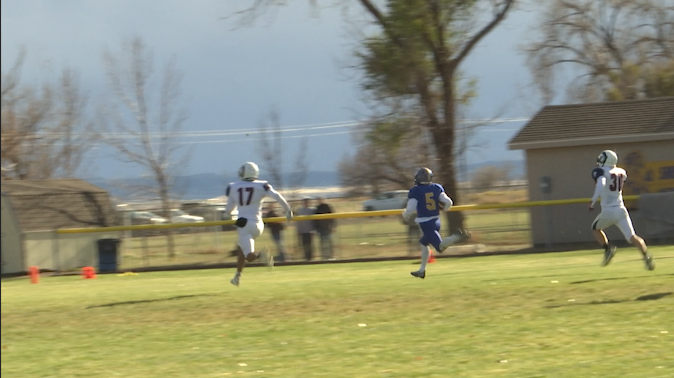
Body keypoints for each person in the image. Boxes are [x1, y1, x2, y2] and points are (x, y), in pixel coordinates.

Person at [224, 162, 294, 287]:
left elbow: (229, 209)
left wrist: (231, 215)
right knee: (241, 249)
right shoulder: (261, 185)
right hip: (259, 224)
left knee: (249, 255)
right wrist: (288, 209)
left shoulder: (234, 186)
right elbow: (276, 195)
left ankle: (261, 255)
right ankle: (237, 276)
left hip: (244, 225)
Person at [589, 150, 654, 270]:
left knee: (595, 228)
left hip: (608, 210)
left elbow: (601, 183)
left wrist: (593, 201)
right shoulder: (621, 172)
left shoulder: (600, 172)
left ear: (606, 160)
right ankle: (647, 256)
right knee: (632, 237)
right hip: (621, 209)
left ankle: (608, 249)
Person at [403, 167, 471, 279]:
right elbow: (448, 202)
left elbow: (410, 209)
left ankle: (457, 236)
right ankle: (421, 270)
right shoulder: (436, 187)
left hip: (426, 224)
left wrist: (405, 215)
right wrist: (445, 209)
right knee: (423, 244)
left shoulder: (415, 191)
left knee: (440, 248)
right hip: (436, 221)